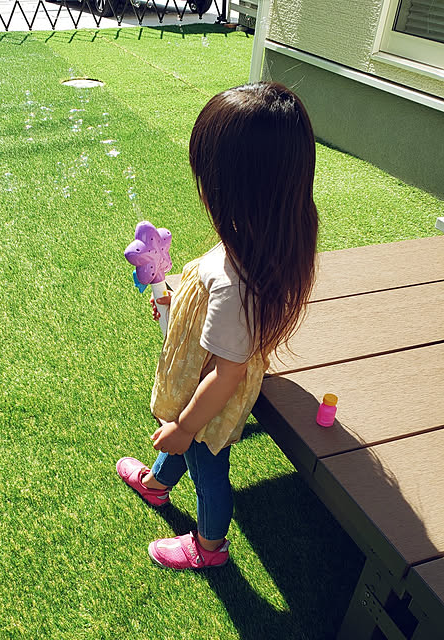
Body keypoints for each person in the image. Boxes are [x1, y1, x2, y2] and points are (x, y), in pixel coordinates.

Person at [117, 82, 319, 570]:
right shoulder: (256, 241)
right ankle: (158, 484)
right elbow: (216, 315)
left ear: (237, 192)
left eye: (209, 179)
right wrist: (178, 305)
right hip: (200, 385)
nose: (204, 191)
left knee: (206, 470)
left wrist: (187, 425)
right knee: (177, 439)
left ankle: (209, 547)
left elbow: (226, 374)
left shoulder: (237, 282)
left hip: (209, 402)